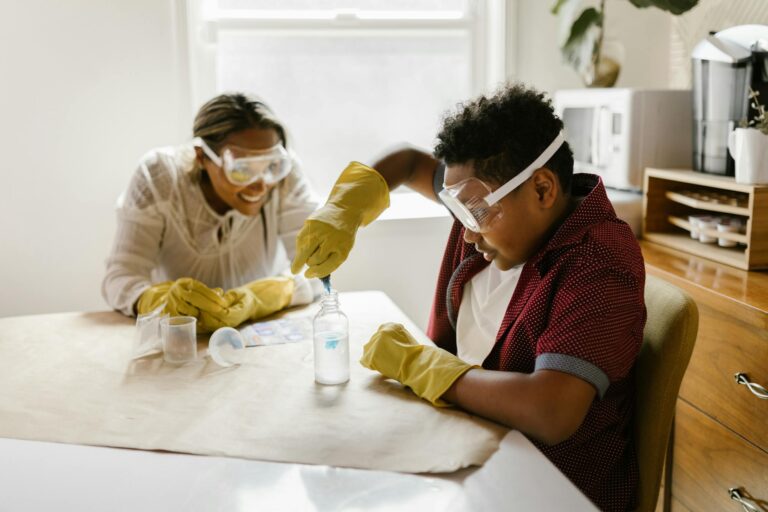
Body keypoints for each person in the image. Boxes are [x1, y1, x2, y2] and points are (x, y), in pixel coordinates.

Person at [291, 83, 645, 511]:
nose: (467, 231)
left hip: (545, 488)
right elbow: (406, 160)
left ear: (543, 190)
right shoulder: (490, 203)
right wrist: (345, 207)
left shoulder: (599, 262)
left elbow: (553, 410)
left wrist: (427, 368)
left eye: (474, 213)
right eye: (457, 210)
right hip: (468, 450)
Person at [103, 92, 321, 331]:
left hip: (254, 333)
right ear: (201, 157)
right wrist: (159, 302)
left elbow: (317, 268)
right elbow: (120, 276)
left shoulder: (285, 176)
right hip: (180, 336)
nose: (261, 185)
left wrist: (262, 297)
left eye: (271, 166)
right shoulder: (160, 177)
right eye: (242, 170)